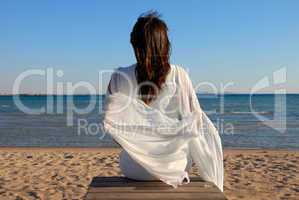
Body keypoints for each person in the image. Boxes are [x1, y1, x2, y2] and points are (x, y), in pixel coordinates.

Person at [103, 11, 223, 191]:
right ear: (166, 45)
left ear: (134, 45)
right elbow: (196, 124)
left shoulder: (119, 77)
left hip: (133, 169)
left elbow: (112, 128)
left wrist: (139, 148)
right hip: (175, 167)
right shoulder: (179, 75)